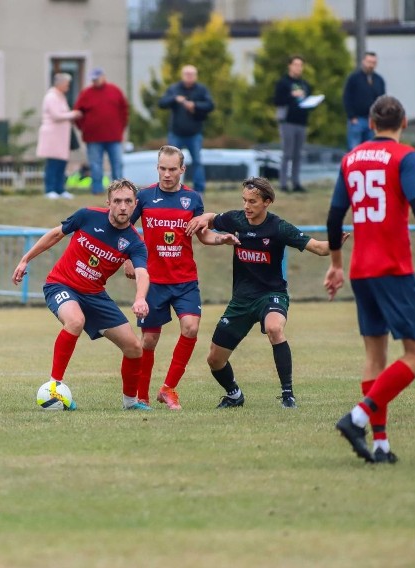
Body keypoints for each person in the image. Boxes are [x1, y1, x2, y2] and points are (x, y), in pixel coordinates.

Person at [326, 95, 415, 464]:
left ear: (370, 123)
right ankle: (357, 417)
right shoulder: (405, 155)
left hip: (361, 271)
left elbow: (335, 217)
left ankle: (380, 445)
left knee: (374, 356)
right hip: (393, 269)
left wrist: (336, 263)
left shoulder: (350, 159)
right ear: (401, 125)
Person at [188, 176, 342, 409]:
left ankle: (288, 395)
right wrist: (203, 218)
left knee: (274, 328)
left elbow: (319, 248)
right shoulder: (235, 219)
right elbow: (212, 219)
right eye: (244, 201)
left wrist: (336, 244)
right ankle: (234, 394)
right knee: (214, 359)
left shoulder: (278, 227)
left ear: (267, 202)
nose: (247, 207)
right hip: (241, 300)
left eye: (253, 202)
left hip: (271, 295)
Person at [11, 179, 152, 411]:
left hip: (95, 295)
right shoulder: (87, 216)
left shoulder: (135, 242)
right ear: (109, 203)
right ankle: (54, 386)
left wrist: (140, 297)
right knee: (75, 321)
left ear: (135, 205)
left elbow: (142, 273)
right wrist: (26, 259)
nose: (123, 207)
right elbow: (56, 235)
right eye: (118, 201)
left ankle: (130, 403)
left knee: (134, 347)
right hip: (61, 285)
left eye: (128, 201)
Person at [125, 145, 238, 410]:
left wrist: (222, 239)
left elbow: (203, 235)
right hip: (152, 281)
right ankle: (141, 396)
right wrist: (129, 259)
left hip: (185, 280)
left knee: (191, 328)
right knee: (150, 340)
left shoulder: (193, 200)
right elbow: (125, 230)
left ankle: (168, 389)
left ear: (182, 170)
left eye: (172, 169)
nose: (167, 174)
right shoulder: (143, 197)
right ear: (157, 168)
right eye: (162, 168)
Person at [158, 65, 215, 194]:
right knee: (169, 162)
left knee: (197, 162)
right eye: (187, 74)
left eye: (192, 74)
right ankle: (167, 187)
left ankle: (199, 190)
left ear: (196, 76)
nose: (189, 77)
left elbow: (210, 105)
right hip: (176, 133)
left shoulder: (201, 90)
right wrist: (175, 99)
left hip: (194, 134)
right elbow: (161, 103)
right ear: (182, 75)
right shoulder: (174, 89)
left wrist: (195, 105)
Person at [73, 68, 129, 195]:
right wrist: (84, 128)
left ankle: (118, 190)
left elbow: (124, 111)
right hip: (93, 138)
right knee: (96, 165)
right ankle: (97, 189)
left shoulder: (115, 91)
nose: (95, 81)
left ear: (103, 77)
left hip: (114, 136)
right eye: (93, 79)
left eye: (97, 78)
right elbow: (78, 113)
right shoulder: (86, 94)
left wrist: (120, 128)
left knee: (117, 163)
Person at [36, 72, 82, 200]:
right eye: (66, 84)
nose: (68, 86)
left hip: (61, 136)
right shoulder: (51, 97)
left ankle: (60, 189)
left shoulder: (60, 96)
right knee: (53, 163)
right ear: (60, 84)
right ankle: (50, 189)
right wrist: (72, 114)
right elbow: (56, 115)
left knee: (62, 163)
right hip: (53, 136)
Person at [273, 55, 313, 193]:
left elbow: (307, 101)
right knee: (287, 153)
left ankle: (296, 182)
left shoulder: (305, 84)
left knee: (298, 154)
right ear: (290, 65)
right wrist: (292, 95)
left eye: (300, 65)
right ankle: (283, 183)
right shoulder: (283, 83)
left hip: (301, 122)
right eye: (296, 64)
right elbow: (277, 100)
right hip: (287, 121)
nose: (298, 67)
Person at [343, 52, 386, 151]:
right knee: (354, 149)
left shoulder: (379, 80)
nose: (371, 65)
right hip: (357, 120)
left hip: (372, 120)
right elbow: (347, 97)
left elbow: (382, 100)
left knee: (371, 149)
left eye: (373, 62)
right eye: (369, 62)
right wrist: (352, 116)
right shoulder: (354, 78)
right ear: (363, 62)